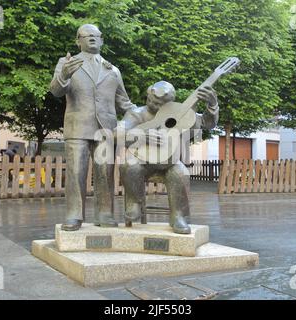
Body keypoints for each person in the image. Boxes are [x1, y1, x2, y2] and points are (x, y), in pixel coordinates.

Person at [50, 24, 135, 231]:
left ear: (102, 40)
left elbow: (126, 104)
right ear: (78, 40)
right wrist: (64, 75)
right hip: (78, 126)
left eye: (96, 36)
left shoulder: (113, 70)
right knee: (76, 172)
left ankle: (105, 214)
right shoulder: (67, 63)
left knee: (105, 173)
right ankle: (74, 215)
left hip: (106, 130)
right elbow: (56, 91)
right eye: (87, 36)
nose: (92, 39)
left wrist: (130, 121)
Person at [117, 81, 218, 234]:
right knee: (128, 165)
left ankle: (178, 216)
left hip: (169, 163)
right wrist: (142, 135)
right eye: (150, 100)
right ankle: (134, 202)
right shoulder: (136, 113)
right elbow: (117, 133)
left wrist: (212, 105)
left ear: (169, 104)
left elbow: (206, 123)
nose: (152, 104)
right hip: (143, 162)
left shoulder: (179, 114)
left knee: (181, 173)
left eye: (158, 104)